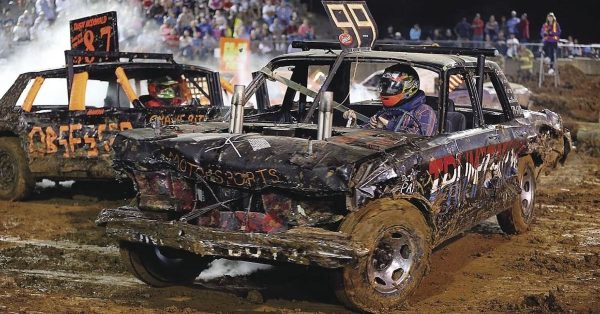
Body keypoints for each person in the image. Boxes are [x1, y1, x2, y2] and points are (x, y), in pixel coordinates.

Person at [344, 64, 437, 136]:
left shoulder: (424, 111)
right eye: (385, 86)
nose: (387, 90)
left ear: (410, 87)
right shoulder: (386, 112)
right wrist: (353, 125)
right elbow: (363, 133)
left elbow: (422, 139)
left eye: (392, 88)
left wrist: (387, 125)